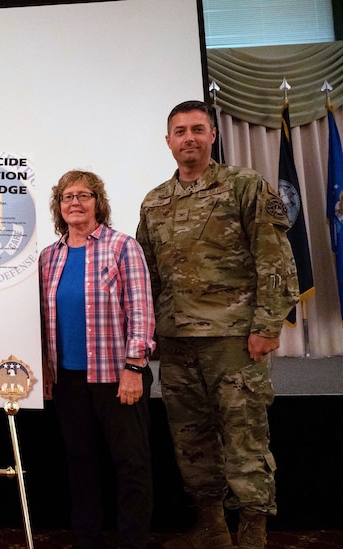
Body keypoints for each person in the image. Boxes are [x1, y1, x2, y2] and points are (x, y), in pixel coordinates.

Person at [136, 100, 299, 549]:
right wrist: (146, 332)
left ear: (212, 136)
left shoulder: (244, 186)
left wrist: (268, 326)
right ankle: (211, 527)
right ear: (167, 140)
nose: (188, 137)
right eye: (180, 131)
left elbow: (275, 259)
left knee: (245, 436)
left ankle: (252, 533)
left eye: (197, 129)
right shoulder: (155, 201)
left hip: (232, 338)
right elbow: (146, 273)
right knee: (191, 439)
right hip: (175, 341)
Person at [40, 170, 156, 549]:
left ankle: (133, 541)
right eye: (67, 196)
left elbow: (140, 311)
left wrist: (135, 367)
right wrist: (44, 370)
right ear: (59, 206)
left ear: (98, 203)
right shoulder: (48, 258)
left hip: (117, 377)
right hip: (68, 380)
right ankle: (87, 537)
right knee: (80, 462)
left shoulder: (122, 247)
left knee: (131, 463)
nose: (75, 202)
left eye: (84, 195)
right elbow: (42, 320)